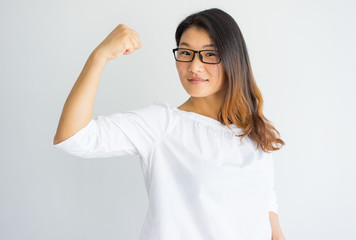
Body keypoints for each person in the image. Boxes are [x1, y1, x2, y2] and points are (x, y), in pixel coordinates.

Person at [53, 8, 286, 240]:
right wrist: (99, 56)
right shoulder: (163, 125)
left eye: (209, 54)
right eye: (185, 53)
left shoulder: (254, 131)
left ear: (233, 58)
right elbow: (72, 137)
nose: (194, 66)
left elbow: (267, 212)